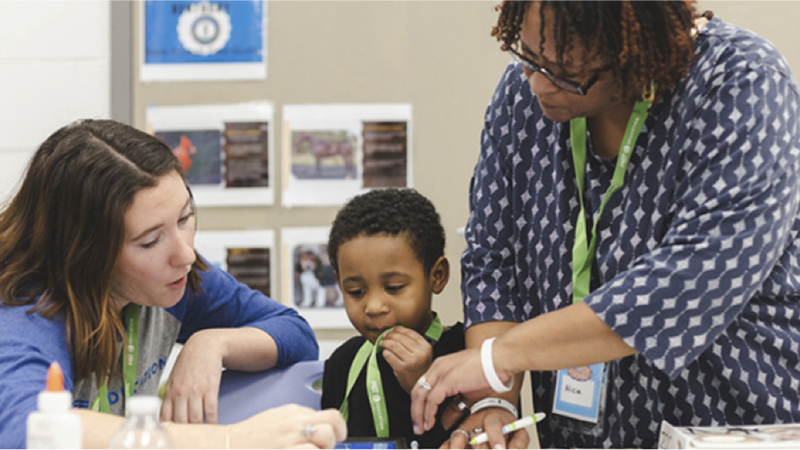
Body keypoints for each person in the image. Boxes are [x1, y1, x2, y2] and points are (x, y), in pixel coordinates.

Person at [410, 1, 800, 449]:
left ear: (636, 51)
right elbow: (494, 263)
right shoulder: (521, 99)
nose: (538, 84)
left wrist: (500, 356)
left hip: (732, 423)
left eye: (564, 73)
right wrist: (493, 401)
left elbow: (693, 279)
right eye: (529, 57)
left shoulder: (741, 82)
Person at [0, 119, 347, 449]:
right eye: (150, 242)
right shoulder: (24, 313)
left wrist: (213, 342)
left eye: (184, 217)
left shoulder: (174, 278)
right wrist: (230, 442)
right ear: (85, 252)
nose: (184, 254)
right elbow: (25, 430)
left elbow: (296, 335)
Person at [321, 189, 466, 448]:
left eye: (395, 287)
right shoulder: (343, 364)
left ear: (437, 276)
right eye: (356, 291)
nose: (374, 307)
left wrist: (423, 384)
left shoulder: (467, 353)